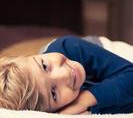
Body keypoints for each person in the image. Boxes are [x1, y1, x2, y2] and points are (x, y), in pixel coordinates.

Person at [0, 35, 133, 114]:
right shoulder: (62, 107)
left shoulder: (68, 46)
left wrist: (84, 100)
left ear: (32, 56)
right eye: (53, 93)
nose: (64, 75)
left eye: (44, 66)